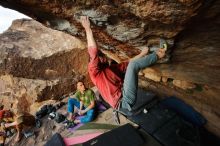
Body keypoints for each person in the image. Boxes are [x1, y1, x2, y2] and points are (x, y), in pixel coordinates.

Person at [80, 16, 167, 111]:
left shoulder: (111, 68)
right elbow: (93, 51)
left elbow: (129, 62)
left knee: (132, 65)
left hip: (123, 95)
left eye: (103, 56)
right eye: (101, 58)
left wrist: (142, 53)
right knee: (133, 66)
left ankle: (157, 54)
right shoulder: (95, 73)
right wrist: (88, 29)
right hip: (123, 101)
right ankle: (160, 54)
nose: (104, 59)